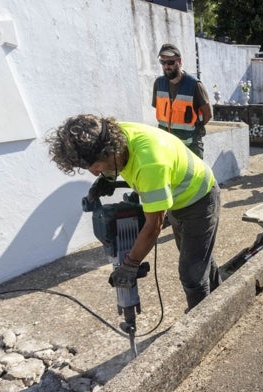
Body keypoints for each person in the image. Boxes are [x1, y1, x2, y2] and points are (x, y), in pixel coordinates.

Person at [46, 115, 221, 312]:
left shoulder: (150, 164)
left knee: (192, 274)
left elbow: (153, 226)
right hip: (179, 195)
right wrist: (108, 178)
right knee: (199, 258)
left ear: (110, 152)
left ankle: (202, 323)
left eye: (96, 167)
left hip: (199, 198)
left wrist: (130, 264)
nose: (94, 173)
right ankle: (221, 299)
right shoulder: (113, 135)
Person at [152, 43, 212, 159]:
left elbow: (207, 114)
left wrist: (193, 132)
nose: (166, 66)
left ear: (179, 61)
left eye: (170, 62)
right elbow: (162, 111)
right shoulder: (158, 84)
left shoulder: (194, 85)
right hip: (167, 146)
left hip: (190, 147)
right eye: (162, 62)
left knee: (194, 177)